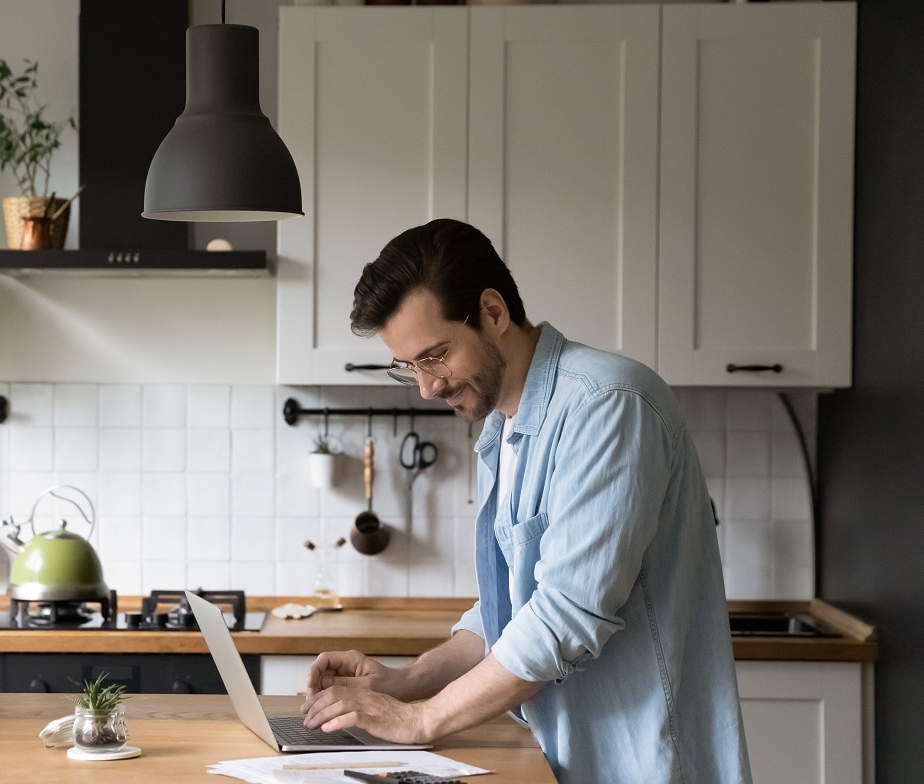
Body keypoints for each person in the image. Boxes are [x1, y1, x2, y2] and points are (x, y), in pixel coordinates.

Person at [301, 218, 752, 783]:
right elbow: (513, 610)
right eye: (410, 366)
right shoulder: (506, 431)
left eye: (436, 355)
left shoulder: (606, 404)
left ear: (492, 312)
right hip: (560, 757)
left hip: (639, 763)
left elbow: (564, 613)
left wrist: (420, 720)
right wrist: (408, 680)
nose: (427, 387)